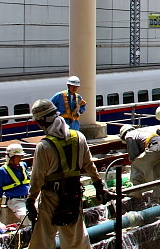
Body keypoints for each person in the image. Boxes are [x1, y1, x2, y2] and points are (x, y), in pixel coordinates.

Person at [26, 99, 111, 249]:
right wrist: (98, 185)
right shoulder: (78, 137)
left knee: (43, 238)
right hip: (73, 194)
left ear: (43, 121)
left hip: (51, 196)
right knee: (76, 238)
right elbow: (89, 165)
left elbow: (37, 178)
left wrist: (31, 200)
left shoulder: (44, 146)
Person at [119, 123, 160, 202]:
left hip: (157, 148)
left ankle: (135, 193)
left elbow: (134, 157)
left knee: (136, 165)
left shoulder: (129, 135)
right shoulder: (141, 132)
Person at [0, 143, 30, 225]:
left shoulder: (23, 166)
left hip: (29, 198)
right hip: (15, 200)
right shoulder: (1, 171)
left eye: (21, 156)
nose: (20, 159)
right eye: (18, 157)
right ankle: (30, 235)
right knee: (25, 216)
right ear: (10, 157)